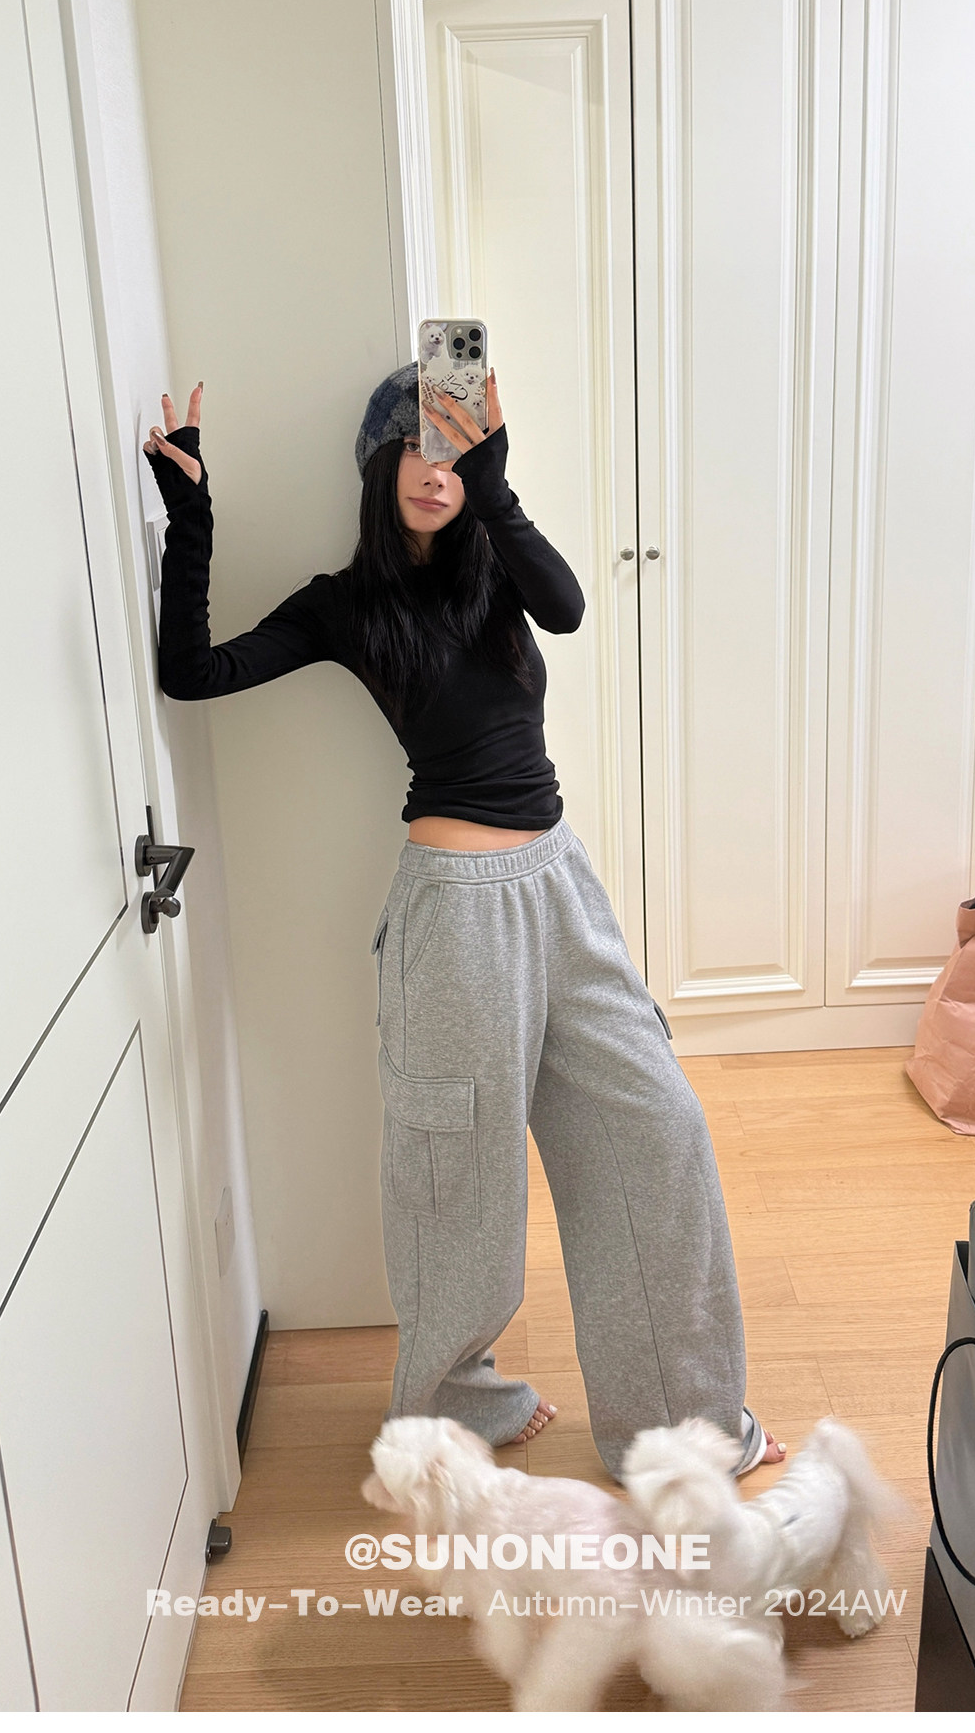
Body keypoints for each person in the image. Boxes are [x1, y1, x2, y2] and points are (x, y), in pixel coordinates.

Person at [144, 368, 783, 1479]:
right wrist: (190, 516)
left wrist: (496, 484)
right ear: (376, 466)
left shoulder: (500, 573)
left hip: (562, 889)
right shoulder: (347, 603)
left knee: (658, 1135)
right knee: (459, 1183)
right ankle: (451, 1409)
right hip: (454, 918)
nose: (434, 470)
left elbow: (568, 606)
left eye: (454, 448)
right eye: (414, 447)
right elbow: (193, 674)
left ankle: (684, 1432)